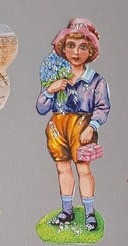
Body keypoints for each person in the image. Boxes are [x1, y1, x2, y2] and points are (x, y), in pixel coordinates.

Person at [36, 18, 110, 231]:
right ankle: (67, 210)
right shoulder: (56, 75)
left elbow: (103, 107)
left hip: (82, 127)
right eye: (71, 45)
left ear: (91, 51)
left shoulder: (95, 80)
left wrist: (92, 126)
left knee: (83, 169)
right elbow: (41, 108)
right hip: (58, 126)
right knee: (62, 169)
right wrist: (50, 90)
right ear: (62, 48)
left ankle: (89, 213)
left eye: (83, 47)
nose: (76, 52)